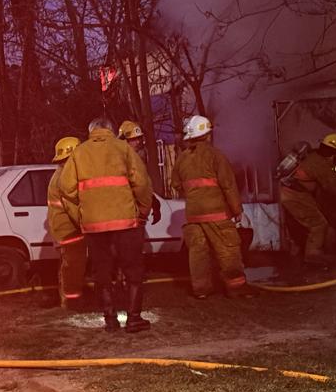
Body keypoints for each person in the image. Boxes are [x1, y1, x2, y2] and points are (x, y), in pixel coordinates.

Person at [60, 117, 154, 333]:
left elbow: (66, 188)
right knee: (133, 271)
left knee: (102, 273)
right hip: (126, 223)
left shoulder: (79, 153)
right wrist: (143, 210)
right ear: (111, 130)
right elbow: (141, 183)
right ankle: (134, 319)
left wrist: (85, 211)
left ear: (91, 131)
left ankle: (110, 319)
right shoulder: (123, 149)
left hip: (94, 227)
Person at [172, 115, 252, 299]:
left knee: (198, 252)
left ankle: (201, 290)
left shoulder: (182, 159)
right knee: (228, 249)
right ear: (207, 135)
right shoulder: (216, 156)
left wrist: (194, 196)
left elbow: (176, 184)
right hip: (216, 213)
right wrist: (237, 210)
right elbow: (228, 184)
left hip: (193, 214)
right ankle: (236, 287)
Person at [279, 132, 336, 269]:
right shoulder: (321, 165)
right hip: (294, 195)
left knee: (308, 220)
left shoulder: (313, 156)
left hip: (291, 193)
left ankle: (298, 252)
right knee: (318, 224)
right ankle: (313, 255)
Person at [46, 136, 86, 309]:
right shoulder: (65, 178)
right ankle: (72, 303)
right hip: (69, 230)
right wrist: (87, 224)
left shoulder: (59, 174)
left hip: (62, 229)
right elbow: (72, 207)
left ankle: (68, 300)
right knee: (74, 267)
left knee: (67, 266)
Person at [118, 120, 162, 225]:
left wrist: (152, 200)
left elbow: (142, 184)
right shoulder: (121, 161)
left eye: (139, 138)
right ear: (124, 140)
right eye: (133, 139)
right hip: (126, 215)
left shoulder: (136, 159)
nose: (138, 142)